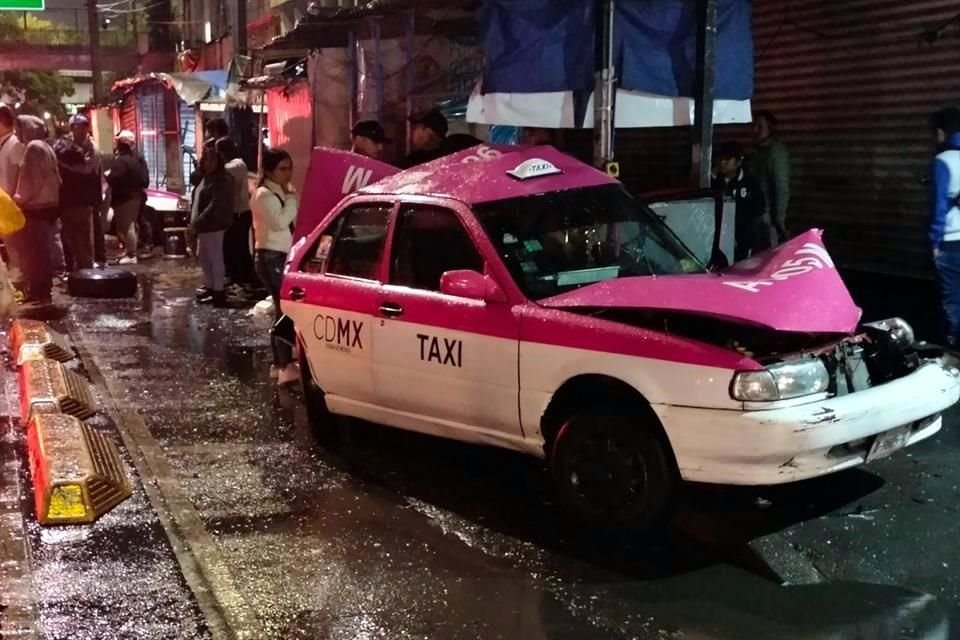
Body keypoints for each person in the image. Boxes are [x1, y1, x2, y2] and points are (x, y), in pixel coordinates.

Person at [250, 148, 298, 384]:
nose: (288, 174)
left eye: (290, 168)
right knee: (285, 311)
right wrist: (291, 199)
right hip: (271, 258)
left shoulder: (282, 192)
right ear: (269, 170)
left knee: (283, 310)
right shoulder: (264, 195)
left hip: (280, 257)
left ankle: (280, 364)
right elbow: (280, 222)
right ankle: (283, 364)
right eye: (282, 169)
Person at [11, 115, 60, 306]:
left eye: (19, 128)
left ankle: (39, 291)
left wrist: (18, 199)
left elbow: (31, 180)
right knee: (43, 251)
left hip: (35, 208)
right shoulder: (46, 147)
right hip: (48, 206)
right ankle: (43, 290)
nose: (17, 133)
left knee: (35, 252)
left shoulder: (33, 148)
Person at [929, 107, 960, 348]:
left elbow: (939, 205)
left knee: (952, 298)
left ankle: (954, 345)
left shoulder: (942, 161)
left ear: (941, 133)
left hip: (951, 240)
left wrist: (934, 242)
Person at [54, 114, 100, 271]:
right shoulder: (62, 146)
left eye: (85, 126)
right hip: (68, 199)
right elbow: (85, 168)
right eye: (79, 127)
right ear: (72, 128)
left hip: (84, 200)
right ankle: (73, 269)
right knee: (70, 237)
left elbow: (90, 169)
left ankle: (85, 269)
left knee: (85, 238)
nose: (83, 130)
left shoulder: (91, 146)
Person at [190, 141, 234, 307]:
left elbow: (216, 203)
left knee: (215, 257)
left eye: (210, 160)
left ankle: (218, 292)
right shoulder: (206, 177)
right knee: (204, 256)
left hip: (213, 223)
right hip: (203, 224)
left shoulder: (222, 179)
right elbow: (194, 180)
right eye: (205, 160)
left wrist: (199, 221)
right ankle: (211, 287)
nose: (206, 163)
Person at [713, 142, 770, 262]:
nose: (723, 162)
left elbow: (759, 208)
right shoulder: (713, 181)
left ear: (738, 162)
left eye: (728, 159)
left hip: (743, 239)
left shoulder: (750, 183)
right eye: (721, 158)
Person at [216, 136, 257, 297]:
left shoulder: (236, 165)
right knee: (235, 248)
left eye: (219, 151)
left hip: (239, 213)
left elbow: (221, 173)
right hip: (236, 213)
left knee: (236, 248)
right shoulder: (235, 164)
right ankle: (242, 280)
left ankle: (242, 280)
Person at [750, 111, 791, 246]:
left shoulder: (776, 152)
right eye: (754, 126)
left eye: (760, 126)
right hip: (756, 214)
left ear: (770, 129)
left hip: (768, 218)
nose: (755, 130)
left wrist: (779, 219)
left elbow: (781, 187)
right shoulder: (758, 152)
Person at [107, 134, 148, 265]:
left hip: (125, 197)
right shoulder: (134, 160)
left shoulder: (121, 161)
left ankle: (132, 254)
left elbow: (115, 177)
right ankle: (130, 251)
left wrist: (108, 175)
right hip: (134, 196)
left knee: (127, 226)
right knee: (127, 225)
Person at [0, 105, 25, 287]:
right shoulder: (4, 143)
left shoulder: (15, 144)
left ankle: (20, 279)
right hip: (4, 205)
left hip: (13, 205)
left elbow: (19, 176)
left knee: (16, 247)